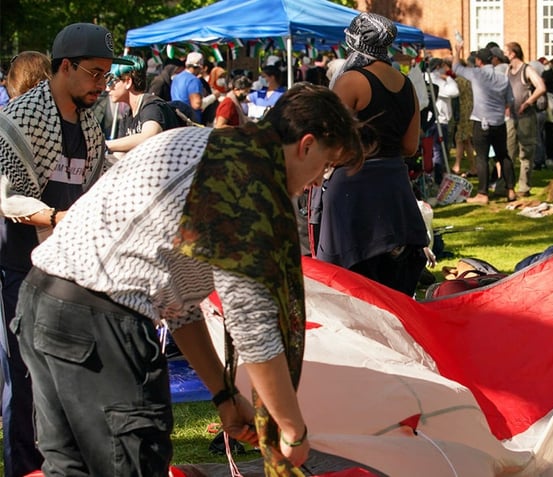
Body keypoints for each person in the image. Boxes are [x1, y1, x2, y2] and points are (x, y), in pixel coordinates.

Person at [13, 83, 365, 476]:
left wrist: (224, 393)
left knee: (70, 469)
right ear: (307, 144)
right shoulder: (245, 180)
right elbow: (251, 321)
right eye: (326, 165)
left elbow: (177, 304)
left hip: (42, 300)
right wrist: (290, 428)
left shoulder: (198, 144)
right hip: (101, 323)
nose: (318, 182)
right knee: (131, 465)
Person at [0, 23, 129, 477]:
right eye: (95, 73)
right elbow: (9, 196)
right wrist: (58, 219)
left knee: (73, 378)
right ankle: (24, 469)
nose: (102, 84)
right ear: (66, 67)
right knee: (26, 375)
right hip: (19, 267)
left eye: (107, 75)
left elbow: (97, 186)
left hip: (70, 270)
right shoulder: (20, 118)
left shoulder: (90, 123)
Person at [316, 12, 429, 296]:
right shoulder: (407, 86)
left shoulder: (351, 81)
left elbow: (330, 140)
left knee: (349, 285)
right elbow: (409, 147)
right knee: (392, 286)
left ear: (354, 42)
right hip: (394, 188)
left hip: (354, 189)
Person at [453, 45, 516, 204]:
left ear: (478, 61)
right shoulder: (503, 77)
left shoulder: (477, 74)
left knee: (481, 158)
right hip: (499, 122)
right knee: (503, 156)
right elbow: (510, 100)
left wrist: (458, 50)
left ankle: (483, 193)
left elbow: (456, 67)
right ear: (493, 60)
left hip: (481, 121)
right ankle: (510, 190)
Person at [104, 55, 180, 157]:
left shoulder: (152, 106)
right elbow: (119, 157)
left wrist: (106, 145)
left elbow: (149, 136)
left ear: (127, 82)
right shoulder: (127, 117)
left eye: (111, 81)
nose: (107, 89)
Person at [504, 41, 546, 197]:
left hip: (525, 117)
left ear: (513, 53)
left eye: (506, 51)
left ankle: (524, 187)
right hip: (510, 116)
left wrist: (528, 103)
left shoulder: (527, 69)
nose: (504, 54)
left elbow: (541, 87)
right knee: (508, 151)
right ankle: (507, 185)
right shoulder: (508, 70)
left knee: (526, 152)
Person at [170, 52, 205, 123]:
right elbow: (196, 104)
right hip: (191, 119)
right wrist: (213, 97)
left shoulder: (176, 78)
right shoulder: (193, 80)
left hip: (176, 117)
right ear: (199, 67)